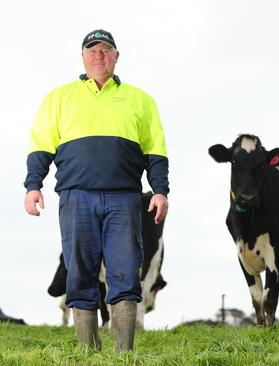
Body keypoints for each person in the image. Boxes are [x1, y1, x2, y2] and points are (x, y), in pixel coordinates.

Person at [23, 29, 169, 352]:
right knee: (80, 272)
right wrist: (34, 185)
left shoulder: (140, 100)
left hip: (125, 198)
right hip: (77, 197)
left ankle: (123, 353)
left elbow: (156, 150)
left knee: (125, 272)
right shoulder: (58, 98)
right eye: (92, 50)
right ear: (83, 57)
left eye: (105, 50)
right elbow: (41, 145)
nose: (99, 56)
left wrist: (159, 190)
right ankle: (88, 350)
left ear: (117, 56)